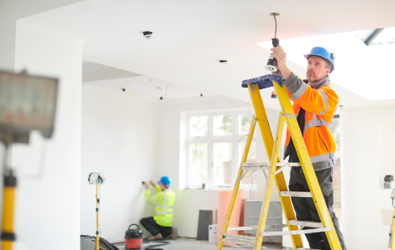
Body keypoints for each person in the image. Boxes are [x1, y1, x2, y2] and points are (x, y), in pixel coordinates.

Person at [270, 46, 347, 250]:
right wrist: (277, 68)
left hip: (317, 163)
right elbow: (284, 91)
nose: (311, 68)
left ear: (327, 70)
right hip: (297, 160)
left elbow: (309, 99)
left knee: (321, 211)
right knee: (303, 213)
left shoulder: (329, 95)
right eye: (309, 63)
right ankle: (318, 248)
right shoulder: (301, 89)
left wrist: (286, 69)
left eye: (317, 64)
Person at [140, 176, 177, 241]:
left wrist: (147, 189)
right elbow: (161, 191)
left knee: (143, 221)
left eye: (159, 184)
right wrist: (154, 185)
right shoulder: (172, 193)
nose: (159, 185)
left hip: (161, 221)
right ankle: (169, 232)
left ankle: (156, 234)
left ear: (163, 185)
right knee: (164, 234)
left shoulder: (161, 195)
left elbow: (148, 199)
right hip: (168, 222)